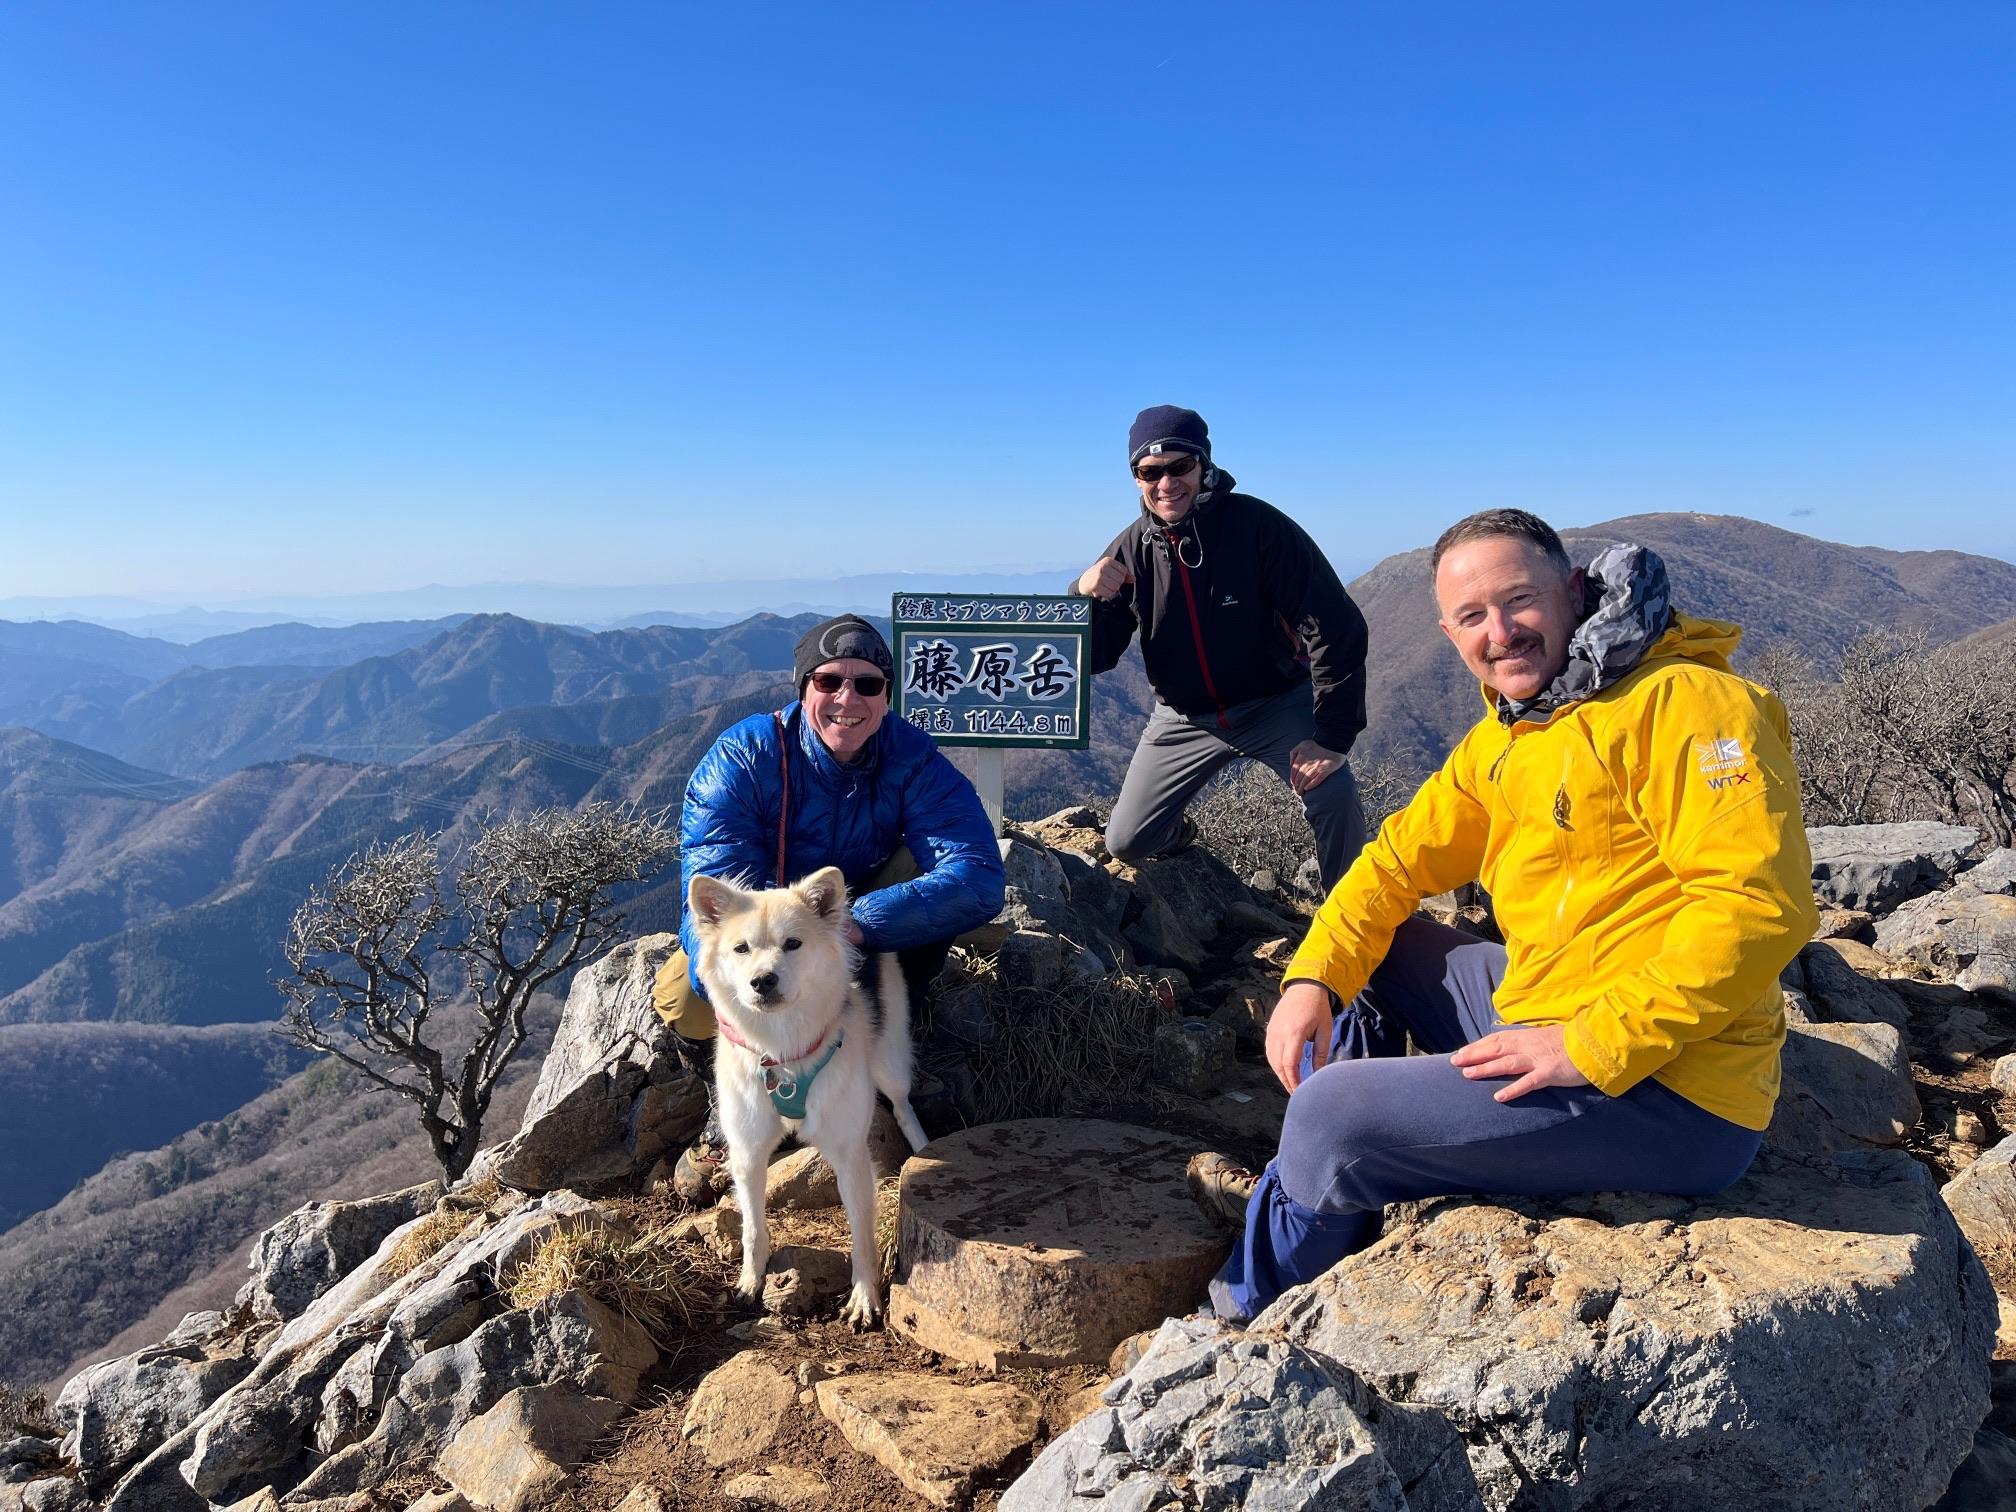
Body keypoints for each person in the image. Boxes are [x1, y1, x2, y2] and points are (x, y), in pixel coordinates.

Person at [1191, 508, 1818, 1322]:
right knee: (1372, 953)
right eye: (1473, 617)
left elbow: (1757, 907)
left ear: (1572, 592)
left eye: (1519, 602)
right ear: (1448, 631)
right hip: (1552, 1008)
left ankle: (1243, 1319)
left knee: (1330, 1112)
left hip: (1671, 1090)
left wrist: (1591, 1042)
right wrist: (1312, 976)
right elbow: (1392, 863)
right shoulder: (1515, 733)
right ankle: (1332, 1205)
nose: (1501, 632)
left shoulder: (1690, 705)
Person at [652, 613, 1006, 1192]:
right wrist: (744, 974)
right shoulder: (743, 758)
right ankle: (739, 1101)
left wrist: (852, 929)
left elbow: (978, 876)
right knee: (687, 1000)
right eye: (828, 682)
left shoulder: (910, 758)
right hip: (769, 933)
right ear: (802, 688)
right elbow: (711, 895)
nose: (848, 699)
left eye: (868, 684)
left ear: (887, 696)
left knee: (927, 891)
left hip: (853, 913)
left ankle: (883, 1043)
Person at [1075, 405, 1370, 892]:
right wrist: (1084, 597)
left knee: (1332, 792)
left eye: (1179, 466)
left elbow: (1335, 627)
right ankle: (1180, 835)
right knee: (1125, 842)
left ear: (1203, 464)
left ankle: (1354, 926)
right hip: (1183, 718)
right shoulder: (1130, 549)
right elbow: (1099, 655)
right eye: (1150, 472)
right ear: (1135, 479)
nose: (1166, 483)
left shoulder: (1257, 527)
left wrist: (1333, 738)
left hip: (1275, 703)